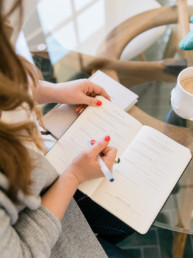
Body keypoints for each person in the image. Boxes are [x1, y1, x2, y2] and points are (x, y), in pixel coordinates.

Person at [0, 0, 134, 257]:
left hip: (47, 176)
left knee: (123, 222)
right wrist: (72, 176)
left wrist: (52, 91)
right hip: (49, 236)